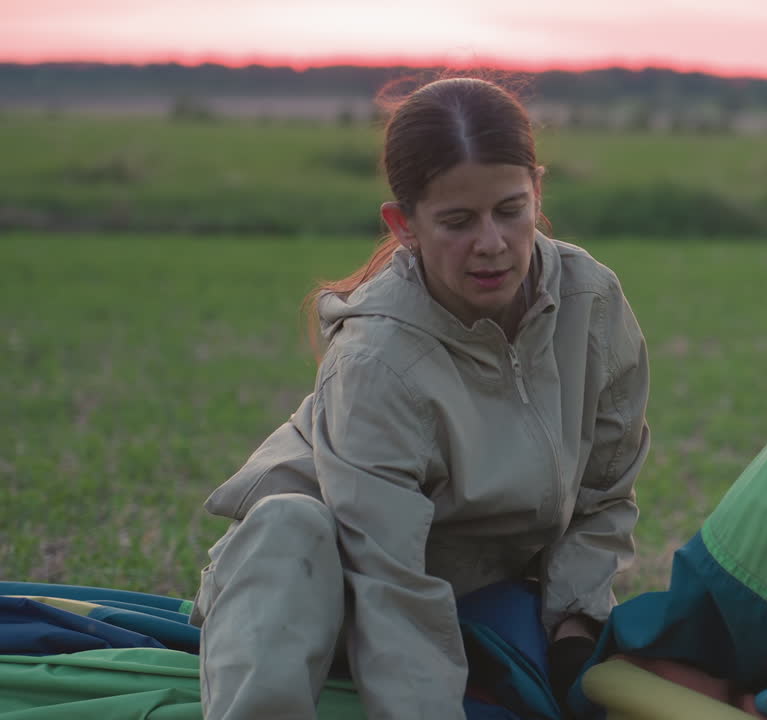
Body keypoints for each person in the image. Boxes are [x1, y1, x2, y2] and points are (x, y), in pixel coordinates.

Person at [190, 77, 651, 720]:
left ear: (537, 191)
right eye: (458, 222)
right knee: (291, 521)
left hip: (484, 594)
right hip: (330, 588)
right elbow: (390, 582)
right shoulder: (377, 360)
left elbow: (604, 491)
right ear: (403, 225)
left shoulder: (591, 302)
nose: (490, 243)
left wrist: (575, 625)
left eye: (510, 210)